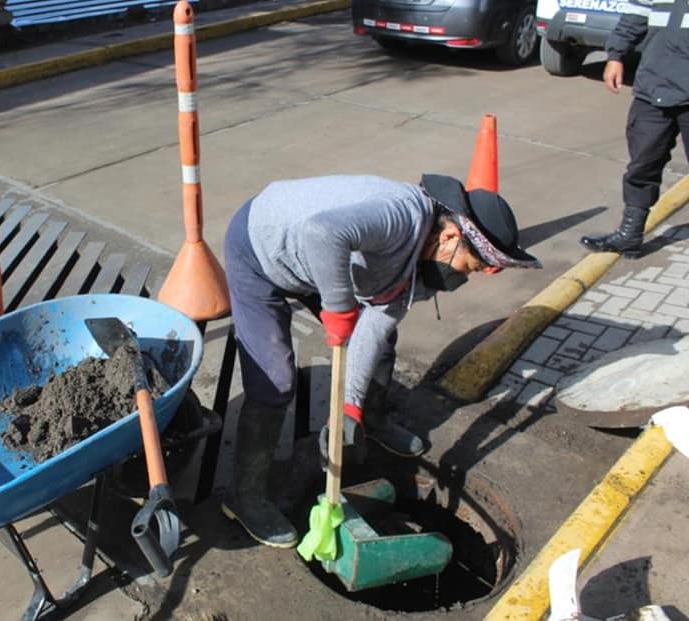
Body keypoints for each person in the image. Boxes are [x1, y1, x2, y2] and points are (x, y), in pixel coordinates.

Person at [220, 173, 542, 548]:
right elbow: (322, 234)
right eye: (468, 267)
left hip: (314, 261)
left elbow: (375, 325)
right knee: (275, 380)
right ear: (451, 236)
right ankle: (245, 497)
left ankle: (370, 419)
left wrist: (350, 407)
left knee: (382, 342)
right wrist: (339, 308)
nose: (462, 279)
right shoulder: (400, 218)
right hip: (261, 248)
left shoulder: (418, 263)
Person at [579, 0, 689, 256]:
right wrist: (615, 56)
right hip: (653, 89)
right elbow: (633, 18)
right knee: (642, 165)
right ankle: (630, 235)